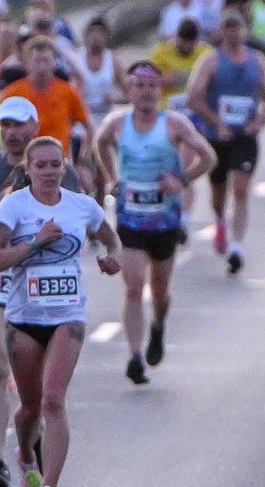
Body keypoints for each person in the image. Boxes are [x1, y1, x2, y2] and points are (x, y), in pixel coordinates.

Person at [0, 136, 122, 487]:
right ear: (27, 170)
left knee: (54, 401)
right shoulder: (14, 207)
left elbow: (112, 241)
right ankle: (26, 455)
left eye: (55, 164)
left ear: (65, 167)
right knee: (30, 408)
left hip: (68, 316)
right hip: (24, 319)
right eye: (40, 165)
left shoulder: (82, 206)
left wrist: (113, 259)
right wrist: (35, 243)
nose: (48, 171)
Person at [0, 97, 80, 487]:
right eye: (6, 125)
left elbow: (80, 213)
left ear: (34, 127)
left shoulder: (59, 169)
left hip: (41, 286)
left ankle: (28, 445)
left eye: (20, 125)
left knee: (39, 388)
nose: (12, 132)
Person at [92, 62, 215, 385]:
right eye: (139, 86)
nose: (146, 92)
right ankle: (135, 356)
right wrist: (112, 177)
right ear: (130, 90)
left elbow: (208, 156)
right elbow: (99, 142)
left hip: (164, 221)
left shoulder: (174, 123)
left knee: (159, 291)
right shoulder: (117, 123)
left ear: (159, 91)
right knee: (133, 287)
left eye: (152, 86)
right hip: (130, 218)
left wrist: (182, 180)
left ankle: (158, 327)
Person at [188, 10, 265, 276]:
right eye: (228, 27)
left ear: (245, 30)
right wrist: (217, 123)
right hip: (218, 138)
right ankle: (220, 220)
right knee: (218, 191)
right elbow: (194, 97)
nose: (233, 32)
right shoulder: (211, 61)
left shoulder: (257, 60)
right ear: (221, 31)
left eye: (237, 27)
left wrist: (258, 122)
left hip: (245, 137)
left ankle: (237, 247)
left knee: (240, 188)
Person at [0, 33, 89, 156]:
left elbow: (88, 126)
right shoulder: (12, 93)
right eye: (37, 61)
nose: (41, 66)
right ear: (26, 63)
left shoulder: (68, 91)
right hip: (24, 160)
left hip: (58, 160)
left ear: (55, 63)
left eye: (45, 60)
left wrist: (83, 157)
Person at [148, 18, 211, 110]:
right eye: (184, 42)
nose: (187, 46)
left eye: (191, 42)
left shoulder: (206, 53)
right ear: (177, 37)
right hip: (167, 105)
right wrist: (164, 79)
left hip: (197, 107)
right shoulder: (161, 52)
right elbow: (147, 78)